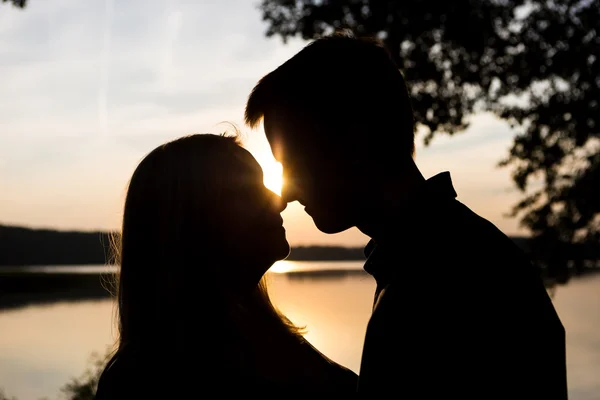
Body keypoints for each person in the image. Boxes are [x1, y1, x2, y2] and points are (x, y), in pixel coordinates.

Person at [244, 32, 568, 398]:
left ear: (356, 139)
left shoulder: (446, 278)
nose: (286, 192)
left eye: (293, 163)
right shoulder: (443, 255)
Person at [94, 133, 357, 399]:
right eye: (246, 190)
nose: (279, 201)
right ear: (191, 221)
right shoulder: (145, 379)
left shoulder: (262, 337)